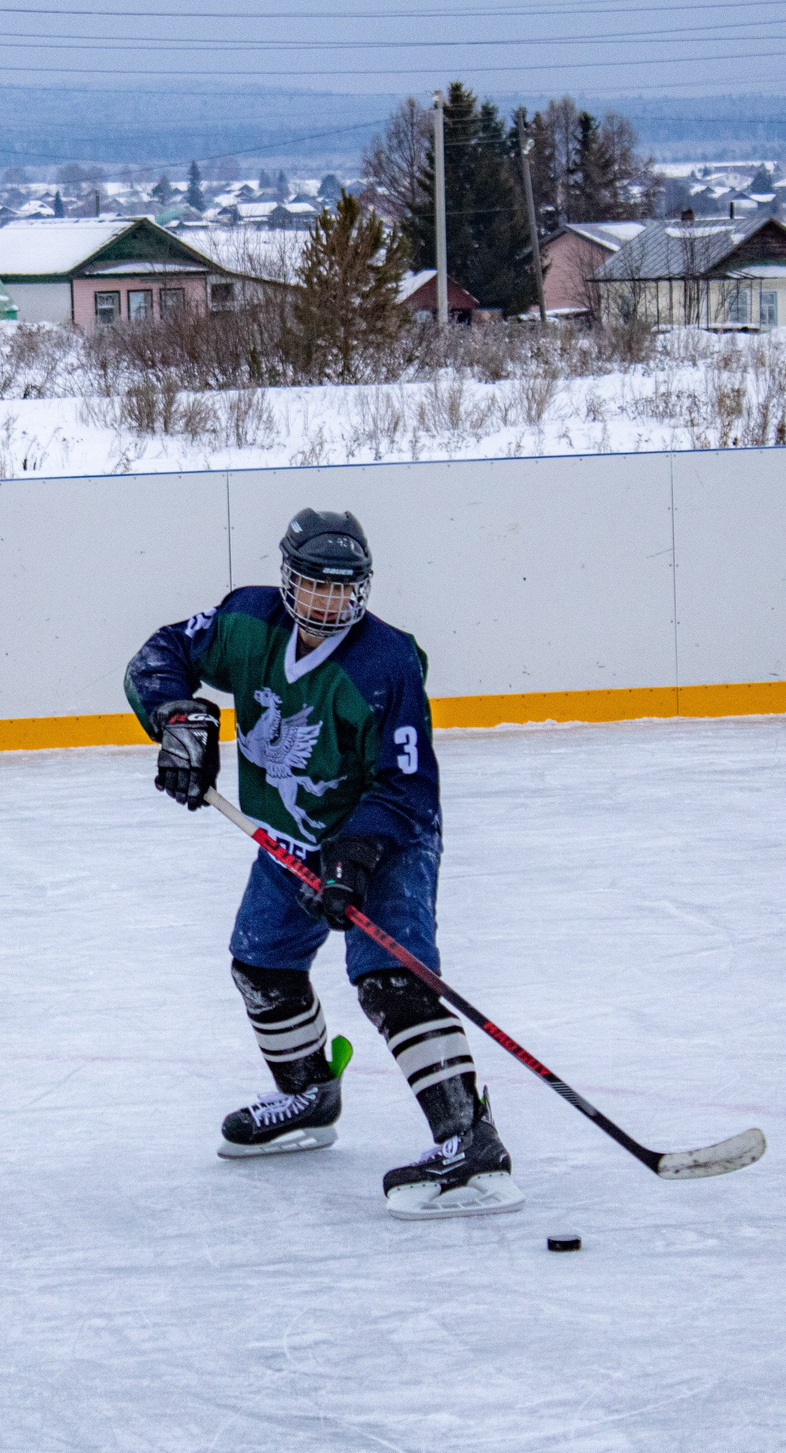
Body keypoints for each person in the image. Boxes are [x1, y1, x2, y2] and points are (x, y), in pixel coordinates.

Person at [125, 509, 521, 1219]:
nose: (327, 603)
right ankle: (310, 1093)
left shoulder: (386, 661)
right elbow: (158, 656)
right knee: (261, 965)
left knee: (389, 978)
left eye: (343, 590)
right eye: (313, 586)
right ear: (289, 581)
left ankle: (470, 1140)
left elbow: (405, 786)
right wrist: (178, 718)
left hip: (386, 839)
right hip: (290, 839)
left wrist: (355, 855)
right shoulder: (247, 620)